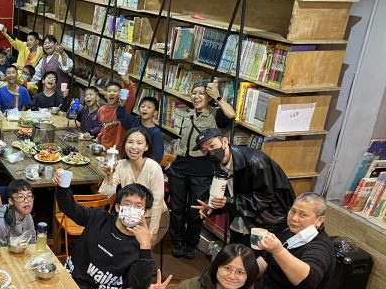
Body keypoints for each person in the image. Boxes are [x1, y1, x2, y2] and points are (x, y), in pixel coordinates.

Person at [54, 174, 155, 289]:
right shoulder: (99, 217)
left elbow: (139, 285)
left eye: (138, 206)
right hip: (69, 282)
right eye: (127, 204)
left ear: (145, 212)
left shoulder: (140, 245)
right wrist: (63, 187)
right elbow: (70, 208)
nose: (131, 209)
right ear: (118, 207)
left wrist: (145, 247)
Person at [193, 127, 295, 246]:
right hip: (240, 221)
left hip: (265, 222)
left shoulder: (255, 160)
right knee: (236, 253)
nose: (210, 152)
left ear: (225, 141)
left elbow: (265, 198)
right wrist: (213, 206)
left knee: (258, 255)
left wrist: (229, 202)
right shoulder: (216, 163)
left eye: (212, 145)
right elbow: (227, 194)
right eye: (204, 150)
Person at [167, 81, 235, 259]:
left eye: (201, 93)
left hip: (203, 169)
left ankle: (191, 243)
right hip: (180, 167)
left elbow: (231, 114)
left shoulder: (216, 114)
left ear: (209, 96)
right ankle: (177, 241)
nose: (196, 97)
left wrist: (217, 97)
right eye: (193, 93)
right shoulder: (187, 114)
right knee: (177, 208)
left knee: (195, 210)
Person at [255, 193, 335, 289]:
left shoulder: (320, 247)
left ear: (319, 220)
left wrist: (278, 250)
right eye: (293, 211)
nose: (294, 218)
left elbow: (307, 280)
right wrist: (241, 273)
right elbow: (264, 261)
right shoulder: (290, 232)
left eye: (303, 215)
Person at [99, 127, 167, 246]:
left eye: (139, 143)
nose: (134, 147)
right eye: (130, 142)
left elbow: (157, 202)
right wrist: (109, 175)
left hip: (153, 217)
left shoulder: (154, 168)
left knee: (138, 249)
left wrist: (153, 231)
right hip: (130, 216)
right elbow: (106, 194)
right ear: (125, 144)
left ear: (146, 147)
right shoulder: (121, 165)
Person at [116, 95, 165, 164]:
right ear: (138, 109)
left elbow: (157, 157)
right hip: (128, 160)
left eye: (149, 107)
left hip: (142, 165)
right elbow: (121, 116)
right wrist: (121, 104)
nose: (145, 109)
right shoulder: (134, 120)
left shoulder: (156, 133)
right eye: (142, 106)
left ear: (155, 112)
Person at [0, 179, 36, 246]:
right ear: (10, 201)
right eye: (20, 197)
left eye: (29, 196)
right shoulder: (1, 224)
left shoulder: (28, 217)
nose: (26, 201)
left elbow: (32, 244)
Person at [96, 81, 127, 150]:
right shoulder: (101, 110)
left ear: (120, 95)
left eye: (115, 91)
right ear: (105, 95)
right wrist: (98, 138)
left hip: (117, 149)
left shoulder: (122, 109)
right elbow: (103, 128)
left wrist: (126, 82)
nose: (112, 93)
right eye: (109, 91)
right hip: (104, 146)